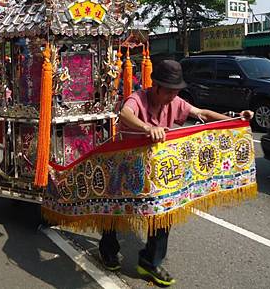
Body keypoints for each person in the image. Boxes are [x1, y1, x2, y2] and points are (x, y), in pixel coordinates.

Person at [99, 60, 253, 286]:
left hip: (157, 169)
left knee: (165, 210)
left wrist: (235, 119)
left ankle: (150, 262)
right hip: (126, 166)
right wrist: (148, 128)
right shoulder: (138, 98)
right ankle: (108, 249)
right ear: (156, 86)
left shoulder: (175, 102)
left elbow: (202, 113)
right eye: (169, 91)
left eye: (176, 91)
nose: (173, 96)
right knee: (116, 208)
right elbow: (125, 114)